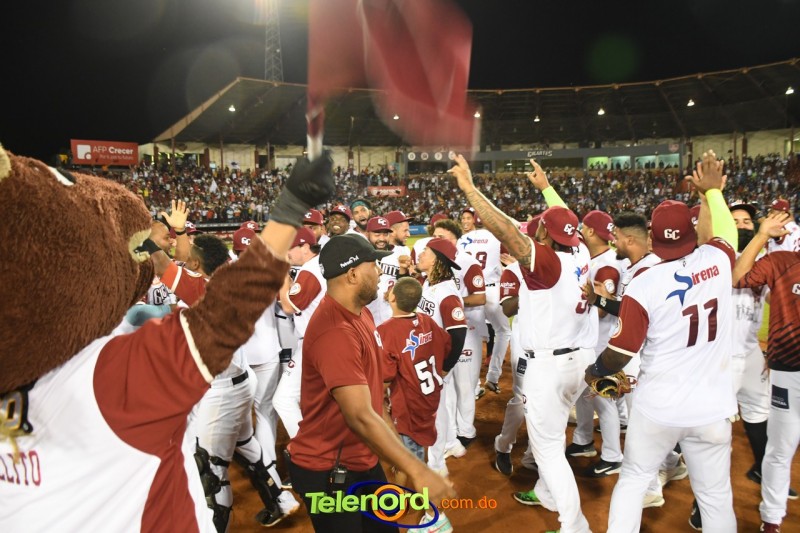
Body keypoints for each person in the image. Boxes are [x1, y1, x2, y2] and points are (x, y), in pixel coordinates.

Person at [588, 151, 738, 532]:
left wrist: (595, 370)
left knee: (633, 480)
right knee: (716, 498)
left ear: (652, 238)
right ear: (692, 233)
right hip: (711, 409)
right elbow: (722, 234)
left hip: (659, 409)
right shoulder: (718, 260)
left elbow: (620, 353)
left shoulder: (645, 283)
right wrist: (711, 193)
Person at [451, 155, 596, 533]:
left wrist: (470, 189)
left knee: (547, 450)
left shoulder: (547, 263)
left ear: (545, 234)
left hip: (550, 366)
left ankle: (575, 526)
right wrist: (546, 189)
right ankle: (547, 494)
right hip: (577, 358)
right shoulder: (580, 251)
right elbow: (564, 218)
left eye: (540, 229)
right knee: (553, 435)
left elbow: (505, 230)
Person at [287, 234, 455, 532]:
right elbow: (360, 416)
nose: (379, 272)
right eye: (373, 265)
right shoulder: (335, 332)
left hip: (359, 458)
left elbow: (375, 400)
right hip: (328, 469)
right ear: (352, 274)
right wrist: (417, 470)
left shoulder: (361, 314)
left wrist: (398, 452)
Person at [732, 207, 799, 533]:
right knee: (779, 448)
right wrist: (761, 235)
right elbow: (737, 278)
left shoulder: (777, 261)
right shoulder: (780, 261)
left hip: (760, 359)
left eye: (745, 221)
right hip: (784, 369)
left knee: (767, 432)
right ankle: (771, 519)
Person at [568, 209, 628, 478]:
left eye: (584, 227)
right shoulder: (596, 260)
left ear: (590, 231)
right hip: (590, 340)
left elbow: (604, 309)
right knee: (584, 393)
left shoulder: (606, 265)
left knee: (603, 400)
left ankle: (613, 456)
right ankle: (583, 441)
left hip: (602, 341)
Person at [414, 238, 469, 473]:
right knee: (442, 406)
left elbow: (458, 333)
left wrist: (445, 367)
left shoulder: (447, 293)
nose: (420, 254)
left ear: (437, 259)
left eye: (425, 251)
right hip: (429, 358)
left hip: (437, 361)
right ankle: (451, 443)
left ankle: (437, 465)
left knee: (435, 412)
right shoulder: (430, 284)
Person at [431, 218, 487, 448]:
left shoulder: (468, 263)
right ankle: (451, 432)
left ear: (455, 239)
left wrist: (451, 302)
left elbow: (480, 297)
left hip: (468, 330)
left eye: (441, 237)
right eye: (434, 237)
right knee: (448, 386)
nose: (435, 241)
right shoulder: (437, 264)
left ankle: (466, 431)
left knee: (465, 385)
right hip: (444, 332)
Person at [275, 227, 322, 438]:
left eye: (290, 248)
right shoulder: (316, 266)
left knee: (283, 399)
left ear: (305, 247)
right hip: (321, 341)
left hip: (314, 344)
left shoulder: (310, 270)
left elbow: (288, 306)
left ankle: (306, 446)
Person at [458, 207, 508, 395]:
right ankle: (493, 377)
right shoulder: (496, 238)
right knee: (503, 331)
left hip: (472, 291)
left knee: (472, 336)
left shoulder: (463, 240)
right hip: (492, 291)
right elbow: (507, 259)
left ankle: (474, 386)